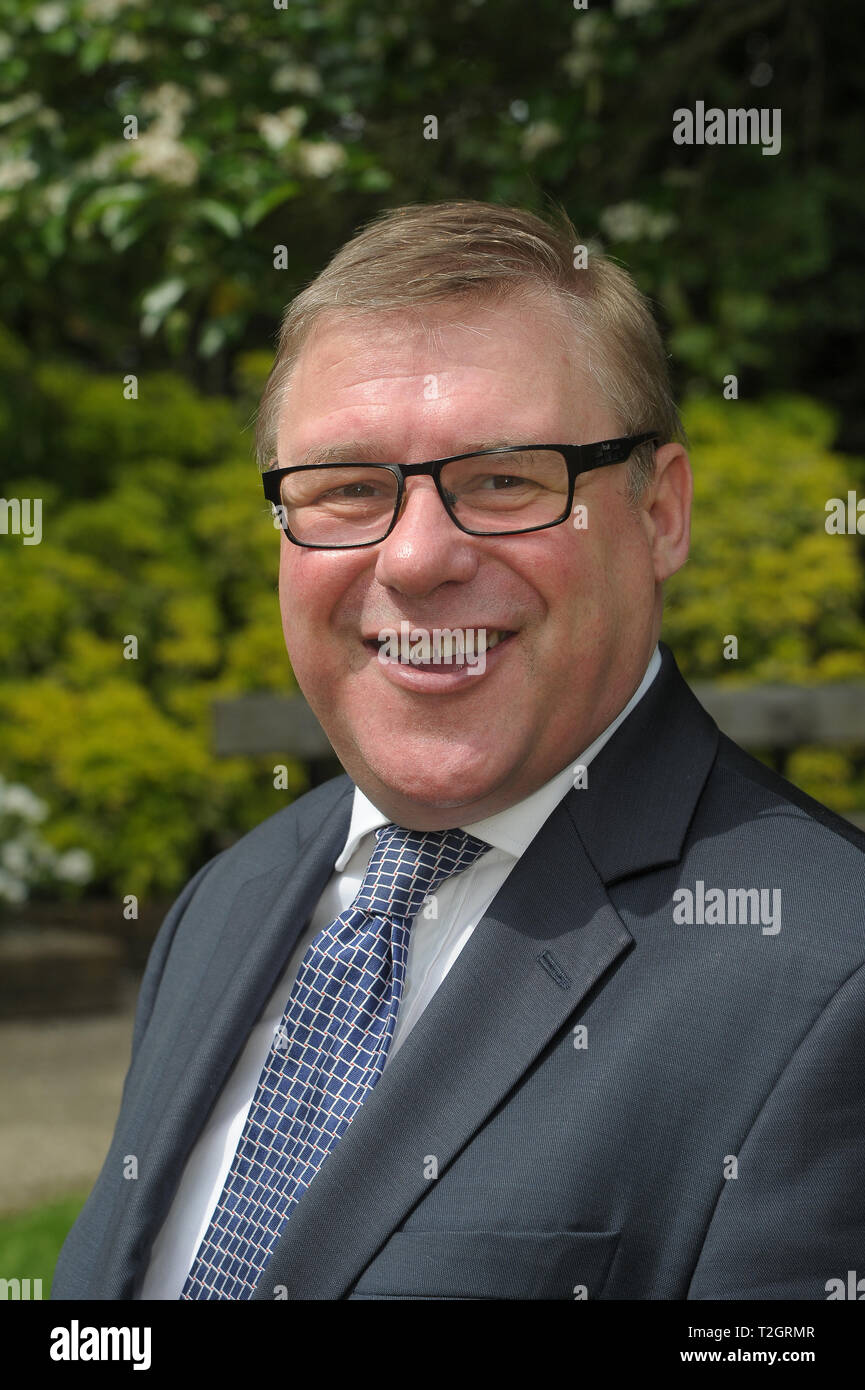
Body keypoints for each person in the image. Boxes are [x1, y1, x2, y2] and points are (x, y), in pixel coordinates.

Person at [53, 201, 865, 1301]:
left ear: (661, 513)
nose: (418, 555)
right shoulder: (225, 904)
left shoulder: (826, 976)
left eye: (504, 479)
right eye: (347, 489)